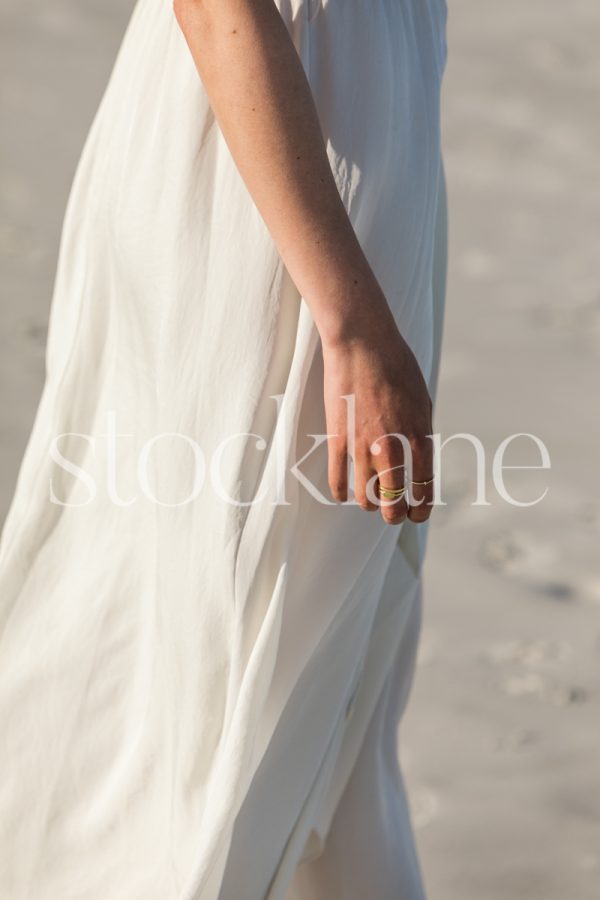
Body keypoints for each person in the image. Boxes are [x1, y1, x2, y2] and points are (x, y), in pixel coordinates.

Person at [0, 0, 448, 897]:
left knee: (338, 667)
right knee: (214, 659)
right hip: (272, 178)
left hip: (371, 138)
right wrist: (349, 319)